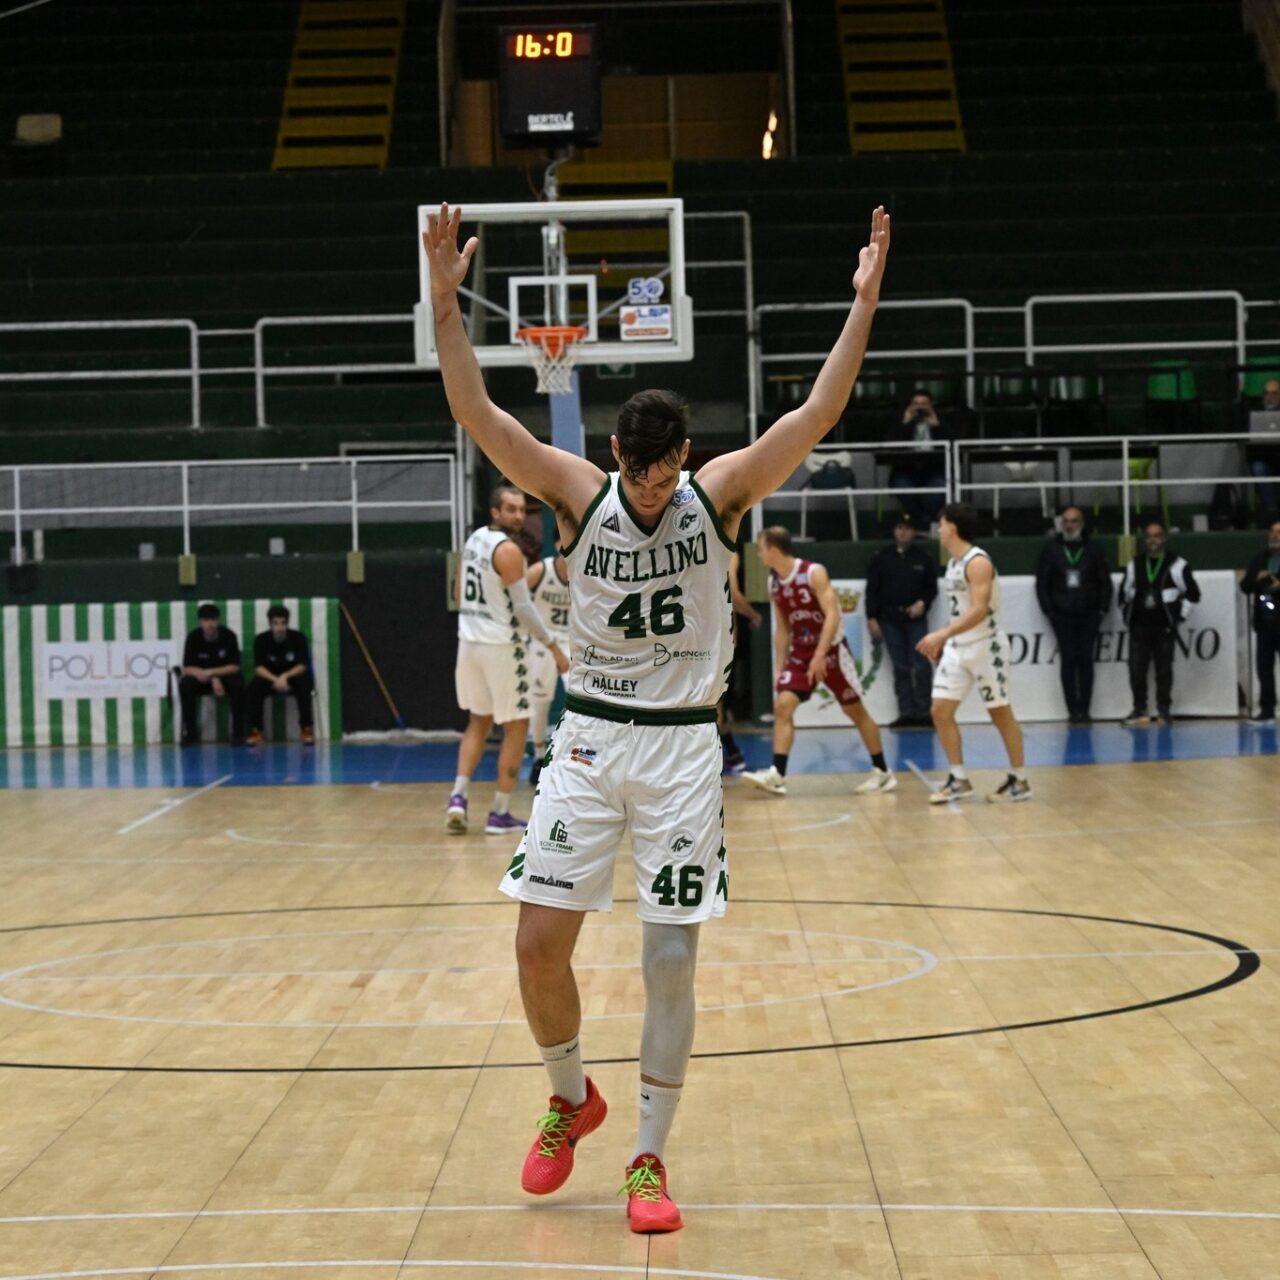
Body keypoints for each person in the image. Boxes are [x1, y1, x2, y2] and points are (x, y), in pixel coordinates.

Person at [423, 200, 890, 1233]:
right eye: (642, 473)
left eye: (667, 470)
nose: (653, 488)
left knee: (668, 954)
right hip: (588, 737)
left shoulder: (717, 496)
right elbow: (478, 415)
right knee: (537, 944)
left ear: (685, 455)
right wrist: (446, 306)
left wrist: (860, 302)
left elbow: (811, 414)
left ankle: (645, 1156)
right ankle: (568, 1095)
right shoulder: (575, 491)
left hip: (681, 744)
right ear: (614, 454)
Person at [449, 483, 568, 835]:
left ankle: (458, 797)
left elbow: (458, 592)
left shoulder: (473, 542)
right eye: (511, 509)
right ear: (495, 512)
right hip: (502, 645)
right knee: (517, 725)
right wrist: (554, 648)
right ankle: (500, 811)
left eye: (521, 509)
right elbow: (524, 609)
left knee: (478, 722)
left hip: (468, 642)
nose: (518, 514)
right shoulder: (509, 551)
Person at [742, 526, 896, 796]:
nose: (758, 553)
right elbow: (782, 628)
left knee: (855, 711)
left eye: (760, 548)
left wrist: (820, 654)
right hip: (801, 654)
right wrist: (779, 666)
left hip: (832, 651)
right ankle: (777, 774)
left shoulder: (814, 572)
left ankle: (882, 772)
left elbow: (833, 615)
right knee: (783, 707)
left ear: (773, 550)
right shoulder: (774, 581)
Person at [917, 502, 1031, 803]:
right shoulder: (953, 563)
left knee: (999, 713)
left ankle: (1020, 779)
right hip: (958, 647)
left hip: (986, 646)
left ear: (952, 527)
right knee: (940, 711)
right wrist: (946, 638)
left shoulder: (977, 561)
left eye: (941, 524)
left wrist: (942, 633)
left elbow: (980, 610)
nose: (938, 530)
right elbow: (962, 610)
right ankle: (958, 778)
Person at [1035, 506, 1112, 724]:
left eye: (1074, 521)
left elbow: (1104, 582)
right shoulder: (1051, 550)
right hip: (1062, 615)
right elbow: (1042, 583)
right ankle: (1072, 711)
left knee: (1086, 661)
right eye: (1066, 521)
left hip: (1089, 614)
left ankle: (1085, 710)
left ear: (1082, 523)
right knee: (1068, 660)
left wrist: (1102, 609)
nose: (1069, 525)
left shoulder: (1094, 549)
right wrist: (1049, 611)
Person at [1119, 519, 1200, 726]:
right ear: (1145, 540)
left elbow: (1193, 594)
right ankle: (1139, 709)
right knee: (1136, 670)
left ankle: (1164, 710)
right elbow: (1123, 594)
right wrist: (1128, 613)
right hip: (1139, 626)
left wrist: (1179, 616)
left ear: (1164, 538)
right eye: (1149, 536)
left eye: (1157, 535)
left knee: (1164, 670)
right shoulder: (1134, 564)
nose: (1153, 540)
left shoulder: (1177, 565)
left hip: (1164, 627)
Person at [864, 511, 937, 727]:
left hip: (915, 618)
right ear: (894, 532)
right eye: (899, 528)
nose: (903, 532)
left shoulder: (923, 558)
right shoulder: (881, 558)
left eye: (907, 528)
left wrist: (922, 603)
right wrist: (872, 617)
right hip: (889, 618)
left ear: (914, 532)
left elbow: (931, 588)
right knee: (900, 666)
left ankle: (924, 712)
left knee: (922, 665)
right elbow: (872, 591)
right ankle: (906, 712)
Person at [525, 548, 572, 789]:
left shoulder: (582, 571)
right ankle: (538, 755)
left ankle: (573, 755)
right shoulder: (540, 570)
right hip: (543, 642)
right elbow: (517, 598)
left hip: (571, 642)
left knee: (579, 698)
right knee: (540, 702)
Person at [244, 605, 315, 745]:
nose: (280, 627)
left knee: (304, 683)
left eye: (283, 623)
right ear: (270, 624)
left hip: (292, 677)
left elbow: (302, 665)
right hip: (270, 678)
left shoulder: (298, 638)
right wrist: (276, 679)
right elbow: (259, 668)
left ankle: (306, 728)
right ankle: (256, 730)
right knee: (254, 686)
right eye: (276, 623)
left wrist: (285, 677)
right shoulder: (261, 640)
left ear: (287, 623)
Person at [719, 548, 762, 775]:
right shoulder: (728, 552)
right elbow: (734, 595)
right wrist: (753, 615)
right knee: (714, 704)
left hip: (690, 638)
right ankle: (728, 754)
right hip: (716, 640)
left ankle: (729, 753)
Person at [177, 603, 245, 746]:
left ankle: (238, 733)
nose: (210, 624)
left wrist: (213, 673)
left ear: (218, 620)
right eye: (206, 620)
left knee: (238, 683)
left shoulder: (229, 636)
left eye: (213, 620)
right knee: (185, 684)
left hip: (224, 675)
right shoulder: (193, 637)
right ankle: (189, 733)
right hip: (201, 677)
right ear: (200, 622)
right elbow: (187, 667)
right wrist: (209, 676)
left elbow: (235, 666)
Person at [1239, 517, 1280, 722]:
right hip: (1264, 622)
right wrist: (1256, 579)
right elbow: (1244, 587)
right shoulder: (1259, 558)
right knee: (1264, 667)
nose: (1275, 536)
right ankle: (1267, 709)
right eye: (1272, 531)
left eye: (1279, 532)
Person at [888, 389, 947, 523]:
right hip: (906, 469)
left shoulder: (940, 420)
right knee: (902, 487)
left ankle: (929, 521)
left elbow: (951, 444)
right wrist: (906, 422)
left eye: (924, 404)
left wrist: (936, 425)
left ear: (931, 405)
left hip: (934, 469)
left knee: (939, 488)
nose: (920, 407)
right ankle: (916, 521)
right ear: (910, 405)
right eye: (916, 404)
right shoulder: (900, 420)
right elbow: (891, 444)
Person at [1247, 378, 1280, 521]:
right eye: (1267, 393)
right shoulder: (1254, 414)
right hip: (1264, 460)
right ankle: (1272, 510)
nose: (1270, 396)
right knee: (1258, 468)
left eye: (1274, 393)